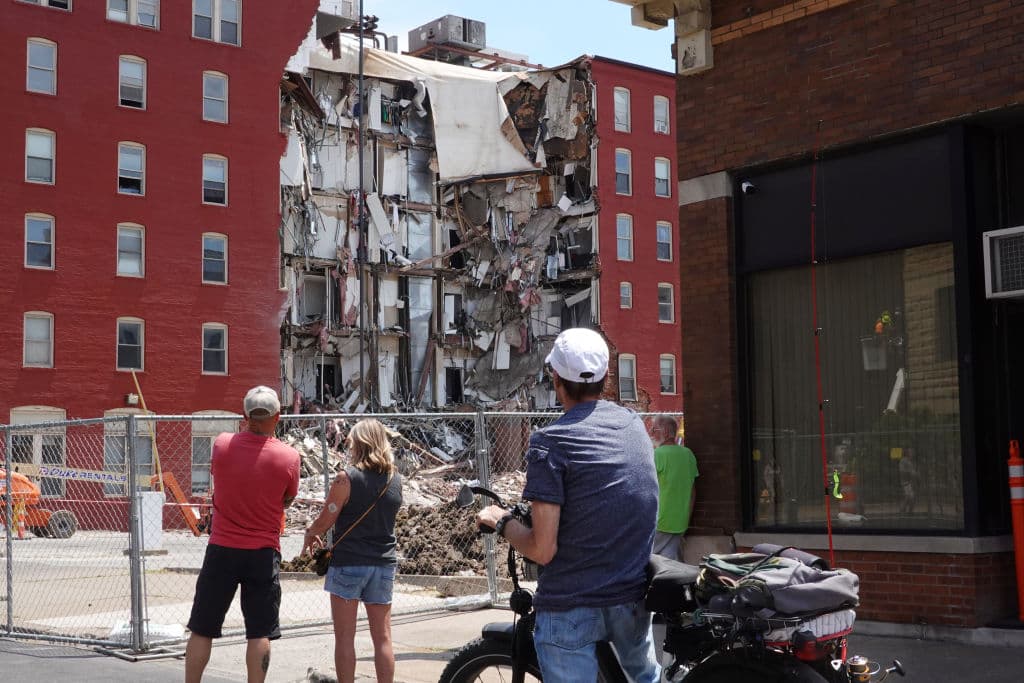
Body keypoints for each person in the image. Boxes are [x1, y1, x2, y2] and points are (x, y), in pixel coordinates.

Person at [477, 328, 660, 683]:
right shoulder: (633, 426)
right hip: (631, 598)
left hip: (571, 604)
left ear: (555, 380)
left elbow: (542, 550)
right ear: (606, 378)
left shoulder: (551, 441)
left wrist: (501, 521)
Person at [185, 386, 300, 683]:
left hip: (222, 548)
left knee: (202, 627)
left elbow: (221, 479)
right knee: (260, 631)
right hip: (262, 552)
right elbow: (287, 499)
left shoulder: (222, 445)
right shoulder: (289, 458)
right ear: (277, 416)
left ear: (244, 415)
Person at [301, 419, 403, 683]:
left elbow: (326, 519)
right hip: (383, 565)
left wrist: (311, 533)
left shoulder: (346, 479)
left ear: (359, 443)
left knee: (345, 637)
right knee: (382, 637)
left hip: (348, 563)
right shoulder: (395, 479)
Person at [650, 416, 698, 562]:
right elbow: (693, 492)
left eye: (654, 429)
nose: (651, 433)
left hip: (659, 522)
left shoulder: (657, 455)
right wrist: (687, 519)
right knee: (670, 566)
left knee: (643, 563)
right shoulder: (688, 455)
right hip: (680, 522)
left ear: (664, 431)